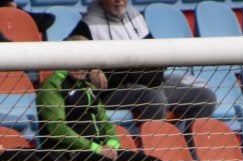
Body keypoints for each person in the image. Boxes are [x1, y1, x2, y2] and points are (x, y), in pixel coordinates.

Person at [27, 41, 167, 161]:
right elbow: (57, 129)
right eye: (76, 60)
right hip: (70, 153)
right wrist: (96, 148)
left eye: (85, 61)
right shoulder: (52, 86)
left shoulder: (89, 88)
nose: (81, 67)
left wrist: (113, 144)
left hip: (100, 150)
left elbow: (105, 122)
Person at [68, 0, 217, 127]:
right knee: (155, 99)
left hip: (152, 83)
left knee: (205, 97)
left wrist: (141, 71)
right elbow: (70, 50)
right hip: (113, 92)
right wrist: (91, 68)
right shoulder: (88, 25)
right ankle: (153, 156)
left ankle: (190, 154)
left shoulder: (134, 16)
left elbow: (156, 57)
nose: (119, 0)